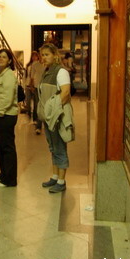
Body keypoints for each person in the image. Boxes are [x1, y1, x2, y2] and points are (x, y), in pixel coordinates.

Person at [38, 43, 74, 193]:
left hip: (56, 116)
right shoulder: (47, 71)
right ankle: (54, 176)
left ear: (55, 55)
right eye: (42, 55)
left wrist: (54, 113)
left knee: (59, 147)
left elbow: (65, 93)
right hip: (48, 117)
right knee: (53, 147)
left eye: (47, 55)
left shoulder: (61, 72)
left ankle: (61, 180)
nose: (44, 58)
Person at [0, 48, 18, 188]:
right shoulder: (0, 75)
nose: (0, 59)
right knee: (0, 146)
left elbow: (8, 98)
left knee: (7, 147)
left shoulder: (9, 76)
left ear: (9, 61)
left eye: (4, 57)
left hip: (6, 115)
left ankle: (10, 180)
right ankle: (3, 174)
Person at [28, 50, 45, 135]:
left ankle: (42, 123)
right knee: (38, 105)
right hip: (37, 87)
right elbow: (31, 77)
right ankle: (38, 126)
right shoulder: (35, 65)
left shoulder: (46, 65)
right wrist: (31, 86)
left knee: (43, 106)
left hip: (45, 88)